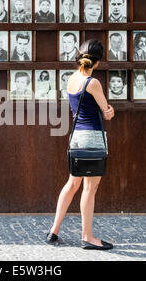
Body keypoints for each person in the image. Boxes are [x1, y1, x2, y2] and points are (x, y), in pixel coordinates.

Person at [47, 39, 114, 250]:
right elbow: (106, 112)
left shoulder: (72, 79)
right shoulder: (92, 83)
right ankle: (88, 237)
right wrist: (110, 111)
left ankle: (54, 231)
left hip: (76, 136)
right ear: (98, 62)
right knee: (89, 189)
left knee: (72, 184)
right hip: (92, 137)